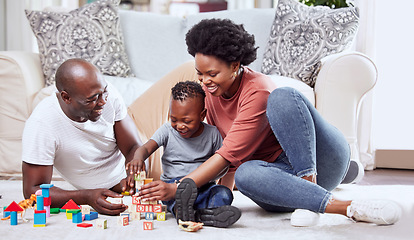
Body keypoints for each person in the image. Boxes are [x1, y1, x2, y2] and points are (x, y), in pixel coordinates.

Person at [137, 18, 401, 227]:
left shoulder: (258, 90)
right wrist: (220, 201)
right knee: (246, 173)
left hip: (319, 159)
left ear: (235, 65)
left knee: (283, 97)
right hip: (277, 175)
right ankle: (343, 176)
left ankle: (334, 199)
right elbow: (229, 159)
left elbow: (226, 155)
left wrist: (180, 186)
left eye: (212, 74)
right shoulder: (208, 93)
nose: (204, 81)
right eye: (200, 74)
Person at [22, 59, 142, 215]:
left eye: (103, 92)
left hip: (147, 149)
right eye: (92, 100)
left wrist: (133, 175)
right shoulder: (42, 124)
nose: (103, 102)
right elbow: (33, 191)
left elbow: (134, 146)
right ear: (66, 97)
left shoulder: (108, 95)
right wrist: (85, 196)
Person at [127, 81, 241, 228]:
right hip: (173, 187)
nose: (179, 126)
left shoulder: (213, 134)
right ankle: (185, 211)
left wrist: (210, 179)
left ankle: (203, 214)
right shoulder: (167, 130)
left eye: (187, 121)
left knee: (224, 194)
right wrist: (138, 158)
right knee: (174, 199)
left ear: (202, 115)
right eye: (174, 119)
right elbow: (145, 149)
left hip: (203, 185)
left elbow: (222, 164)